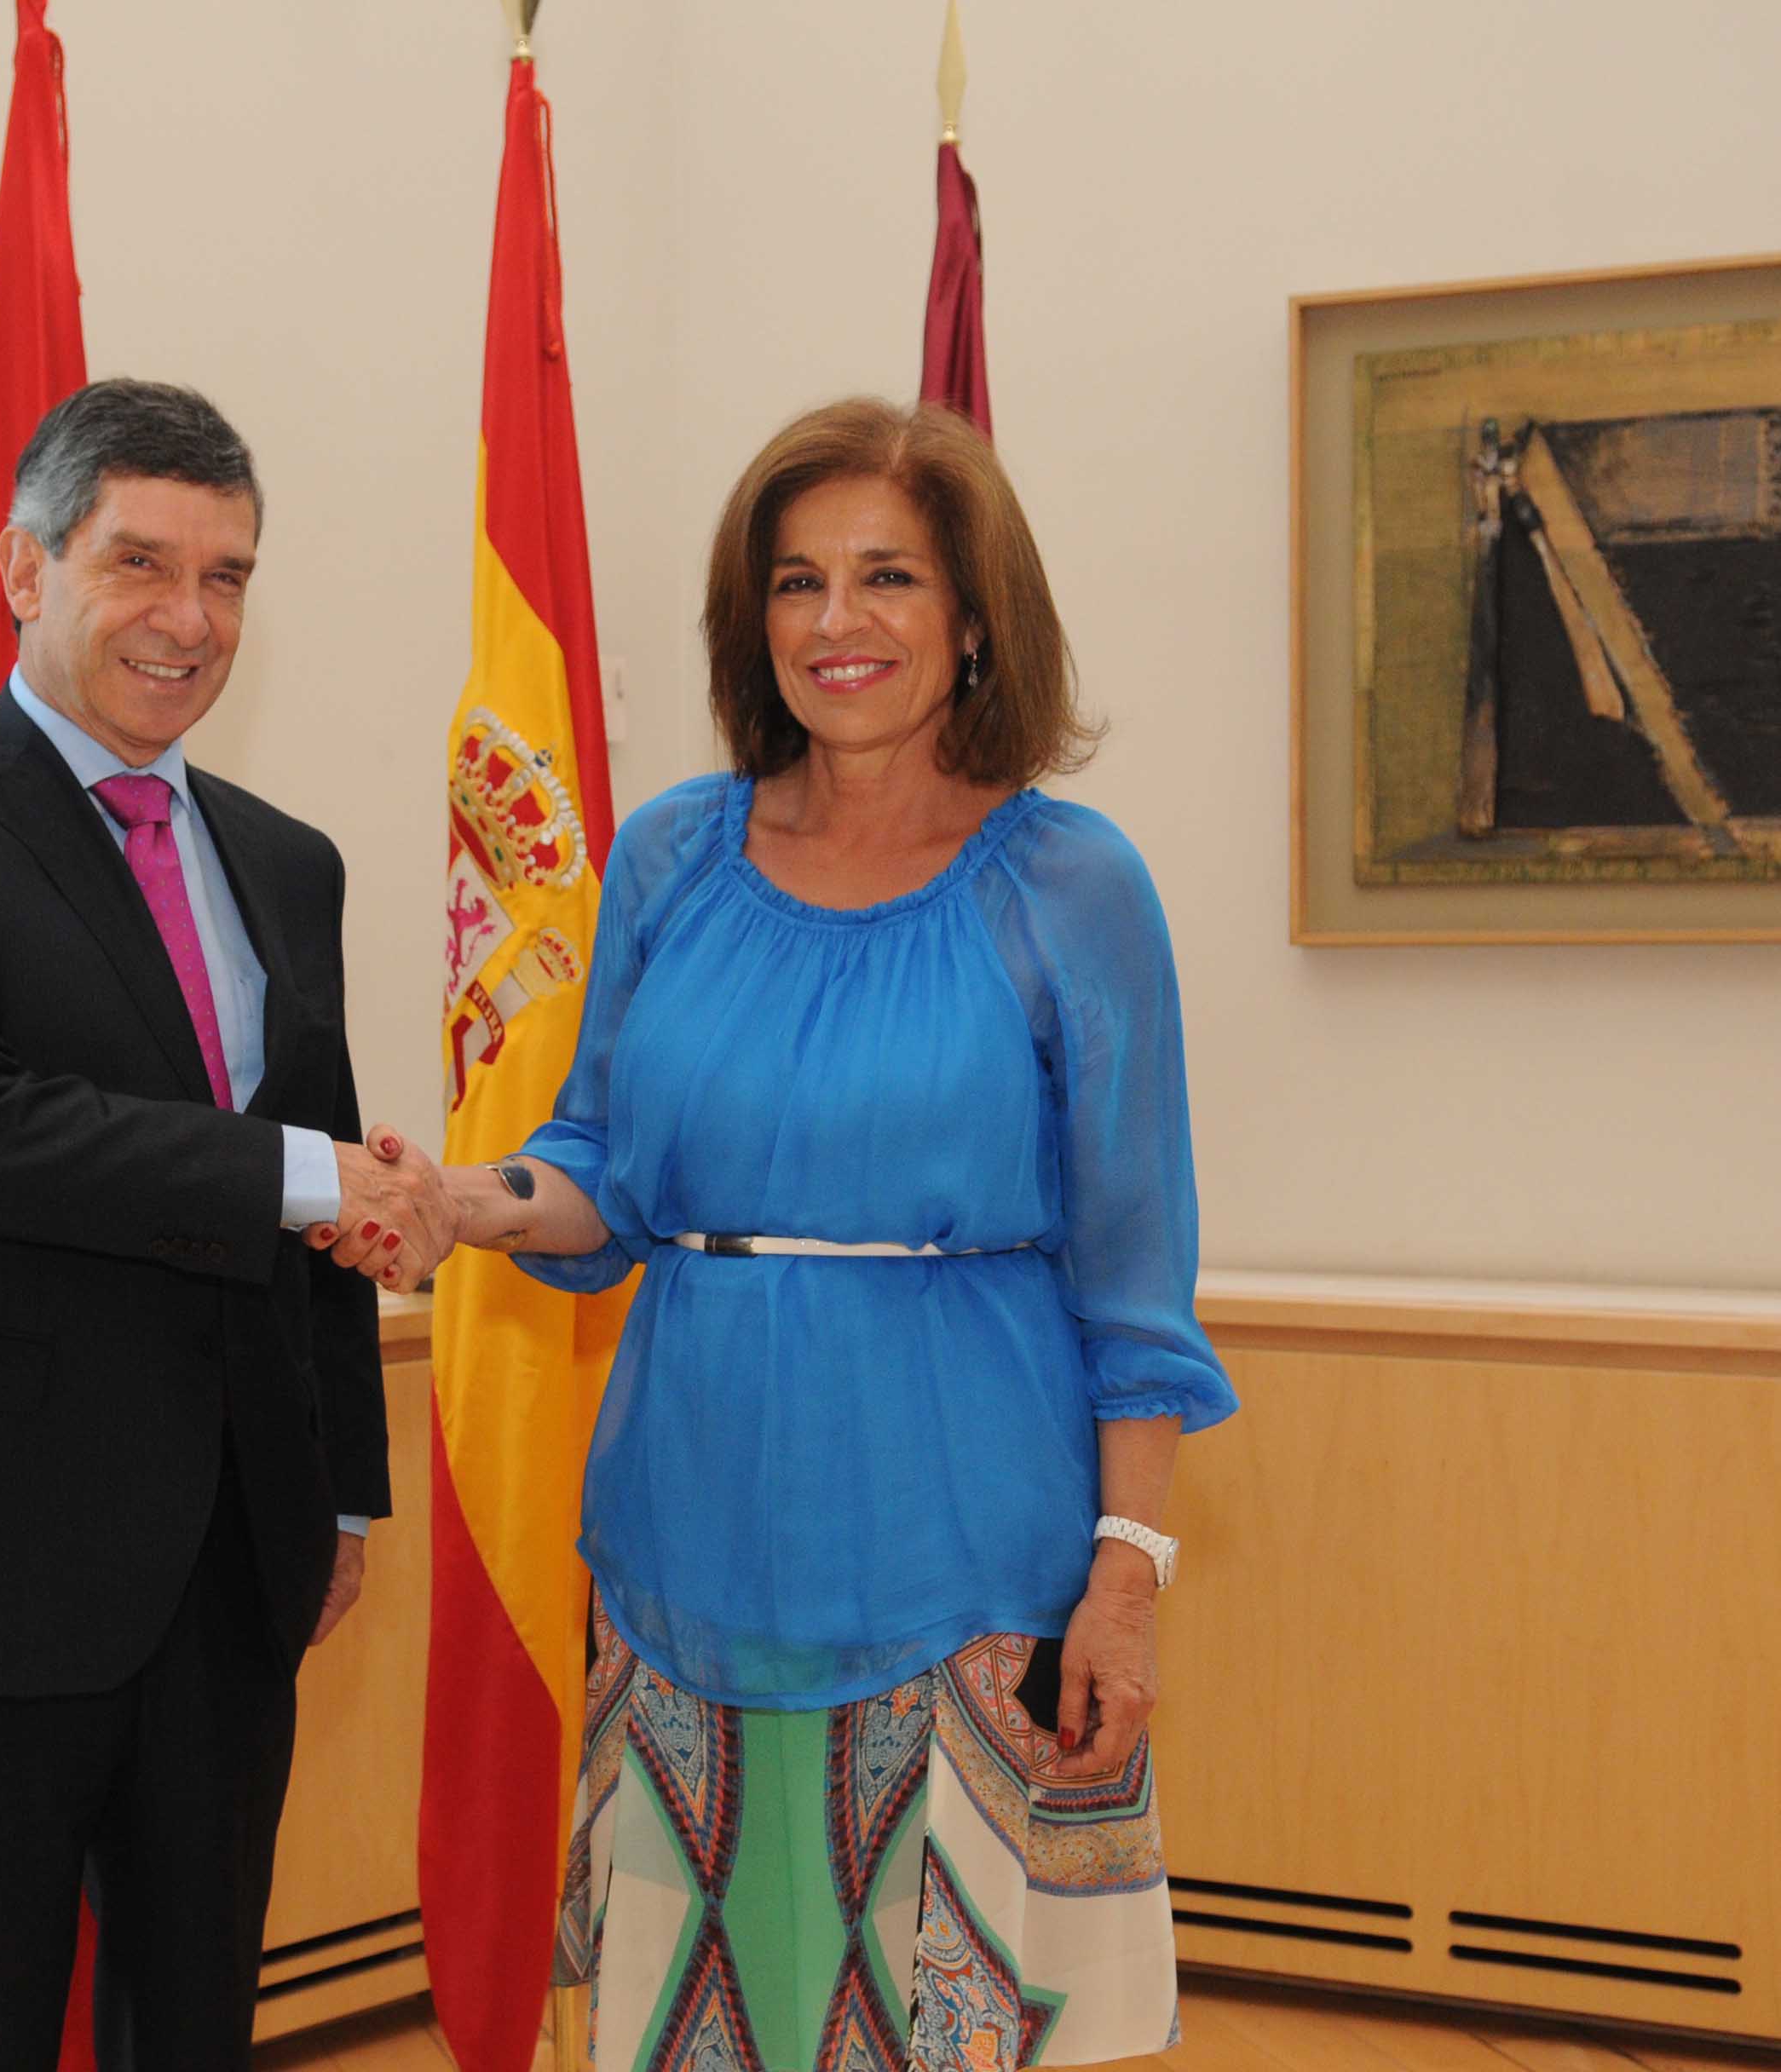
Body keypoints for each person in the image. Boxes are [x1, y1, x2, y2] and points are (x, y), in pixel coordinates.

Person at [330, 397, 1236, 2065]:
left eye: (888, 576)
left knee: (938, 2035)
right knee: (699, 2030)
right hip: (681, 1556)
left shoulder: (1072, 884)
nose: (836, 621)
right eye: (797, 581)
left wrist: (1129, 1575)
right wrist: (457, 1200)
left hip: (968, 1565)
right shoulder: (674, 855)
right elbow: (600, 1170)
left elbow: (1135, 1281)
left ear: (976, 616)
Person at [0, 378, 460, 2072]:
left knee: (192, 2033)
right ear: (25, 567)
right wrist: (306, 1176)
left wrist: (338, 1488)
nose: (188, 618)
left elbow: (324, 1194)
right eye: (141, 562)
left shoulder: (287, 861)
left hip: (228, 1570)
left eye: (227, 577)